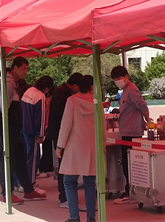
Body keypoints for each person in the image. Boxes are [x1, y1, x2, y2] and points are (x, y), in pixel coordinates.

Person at [0, 58, 47, 203]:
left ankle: (28, 189)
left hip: (15, 129)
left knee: (20, 160)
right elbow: (3, 108)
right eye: (24, 68)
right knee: (8, 161)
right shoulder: (8, 84)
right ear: (15, 68)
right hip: (7, 129)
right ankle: (7, 194)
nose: (26, 72)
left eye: (27, 68)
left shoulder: (14, 83)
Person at [56, 74, 97, 222]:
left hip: (74, 147)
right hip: (92, 147)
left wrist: (60, 146)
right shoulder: (97, 103)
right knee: (90, 183)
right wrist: (102, 145)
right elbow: (102, 127)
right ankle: (91, 218)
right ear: (92, 87)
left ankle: (74, 217)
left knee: (69, 181)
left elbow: (65, 125)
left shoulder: (72, 100)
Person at [110, 65, 150, 204]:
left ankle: (131, 192)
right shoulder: (125, 91)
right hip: (126, 131)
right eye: (115, 79)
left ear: (126, 76)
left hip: (132, 133)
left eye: (119, 78)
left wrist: (146, 120)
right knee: (127, 163)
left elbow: (143, 106)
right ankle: (130, 190)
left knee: (130, 164)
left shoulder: (132, 89)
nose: (117, 81)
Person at [47, 72, 82, 207]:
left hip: (61, 133)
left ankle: (66, 196)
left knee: (65, 165)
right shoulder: (62, 93)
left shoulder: (63, 91)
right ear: (75, 85)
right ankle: (64, 197)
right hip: (60, 134)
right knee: (64, 166)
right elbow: (60, 115)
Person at [21, 75, 54, 187]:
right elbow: (41, 117)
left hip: (23, 128)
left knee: (24, 157)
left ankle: (21, 182)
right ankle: (30, 183)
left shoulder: (28, 91)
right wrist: (41, 134)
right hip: (32, 131)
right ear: (47, 87)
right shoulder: (40, 96)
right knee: (33, 158)